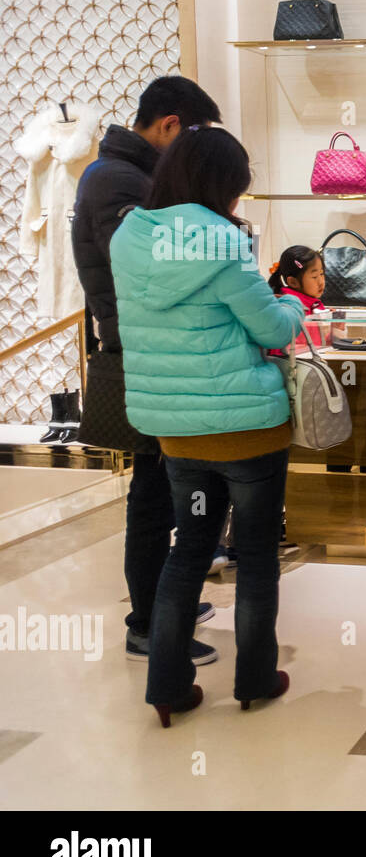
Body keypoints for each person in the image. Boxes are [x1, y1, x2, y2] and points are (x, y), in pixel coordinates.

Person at [110, 126, 305, 727]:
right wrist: (294, 303)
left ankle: (166, 687)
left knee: (188, 549)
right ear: (222, 185)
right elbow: (272, 329)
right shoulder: (221, 244)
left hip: (176, 432)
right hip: (246, 428)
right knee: (255, 555)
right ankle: (253, 680)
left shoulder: (129, 238)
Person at [70, 75, 223, 665]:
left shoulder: (127, 176)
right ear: (169, 127)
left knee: (162, 487)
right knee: (154, 492)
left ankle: (164, 601)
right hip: (140, 354)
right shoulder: (117, 181)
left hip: (149, 350)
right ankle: (147, 622)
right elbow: (145, 271)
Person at [267, 245, 327, 356]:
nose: (321, 282)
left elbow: (321, 342)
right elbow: (279, 350)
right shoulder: (287, 307)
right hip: (293, 368)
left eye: (322, 274)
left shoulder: (315, 304)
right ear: (293, 282)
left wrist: (335, 329)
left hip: (311, 365)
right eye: (314, 277)